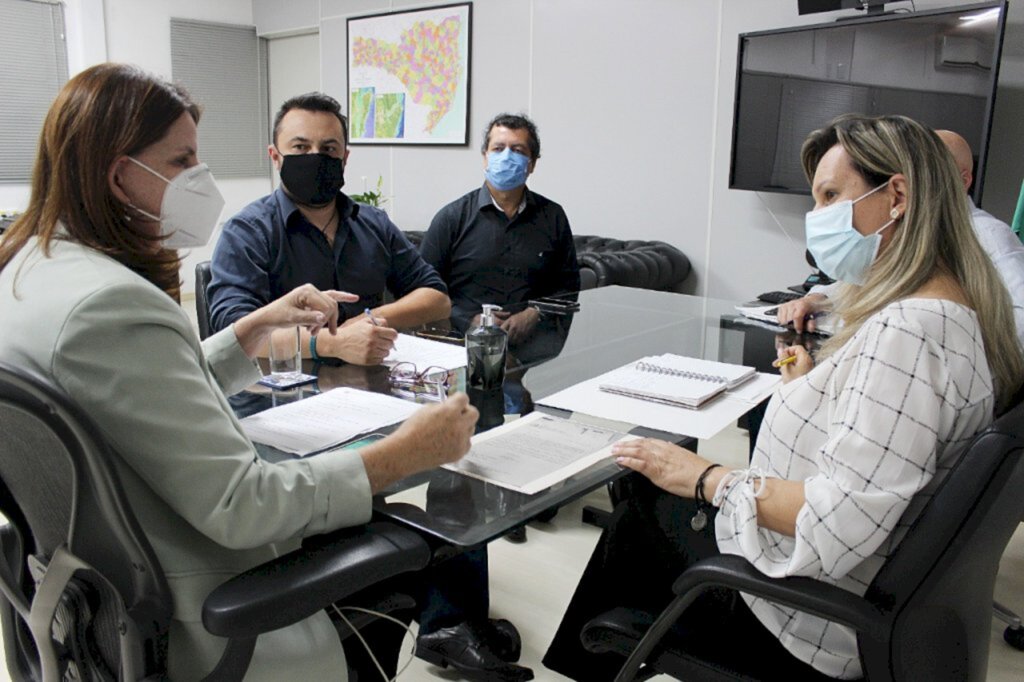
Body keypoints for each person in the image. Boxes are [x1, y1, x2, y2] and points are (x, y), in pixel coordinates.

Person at [0, 63, 480, 681]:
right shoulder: (113, 303)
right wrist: (401, 456)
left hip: (91, 580)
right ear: (122, 176)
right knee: (419, 537)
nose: (200, 179)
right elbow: (242, 504)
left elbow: (141, 385)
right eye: (182, 162)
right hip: (200, 603)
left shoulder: (27, 269)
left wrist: (249, 335)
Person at [542, 114, 1024, 680]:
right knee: (649, 505)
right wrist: (810, 387)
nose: (816, 218)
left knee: (642, 511)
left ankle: (589, 662)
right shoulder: (956, 304)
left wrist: (706, 476)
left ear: (896, 195)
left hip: (808, 616)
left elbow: (841, 520)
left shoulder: (911, 331)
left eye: (830, 196)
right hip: (865, 588)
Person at [208, 92, 451, 366]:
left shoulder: (373, 223)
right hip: (284, 390)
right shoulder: (248, 232)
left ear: (344, 158)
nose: (315, 157)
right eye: (300, 147)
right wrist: (332, 342)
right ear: (275, 157)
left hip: (372, 383)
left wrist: (369, 318)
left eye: (328, 149)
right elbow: (233, 331)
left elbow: (436, 297)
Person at [777, 130, 1024, 348]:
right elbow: (872, 283)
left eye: (931, 171)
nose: (919, 180)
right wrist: (819, 298)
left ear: (963, 180)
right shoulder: (903, 231)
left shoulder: (987, 235)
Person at [420, 112, 580, 359]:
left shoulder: (553, 217)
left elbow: (568, 286)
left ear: (532, 163)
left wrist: (534, 312)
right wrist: (468, 319)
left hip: (535, 354)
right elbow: (424, 288)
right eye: (498, 148)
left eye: (517, 150)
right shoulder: (452, 218)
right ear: (485, 157)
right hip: (463, 351)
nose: (506, 156)